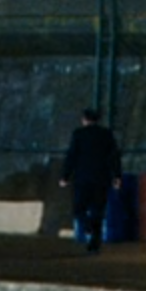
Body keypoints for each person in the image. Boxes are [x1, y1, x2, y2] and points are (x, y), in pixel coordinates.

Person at [59, 108, 123, 254]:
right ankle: (94, 243)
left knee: (79, 209)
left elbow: (72, 156)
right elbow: (114, 157)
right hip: (102, 178)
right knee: (98, 211)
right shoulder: (107, 135)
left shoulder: (79, 134)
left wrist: (65, 176)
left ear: (84, 119)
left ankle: (88, 227)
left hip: (83, 178)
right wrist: (117, 176)